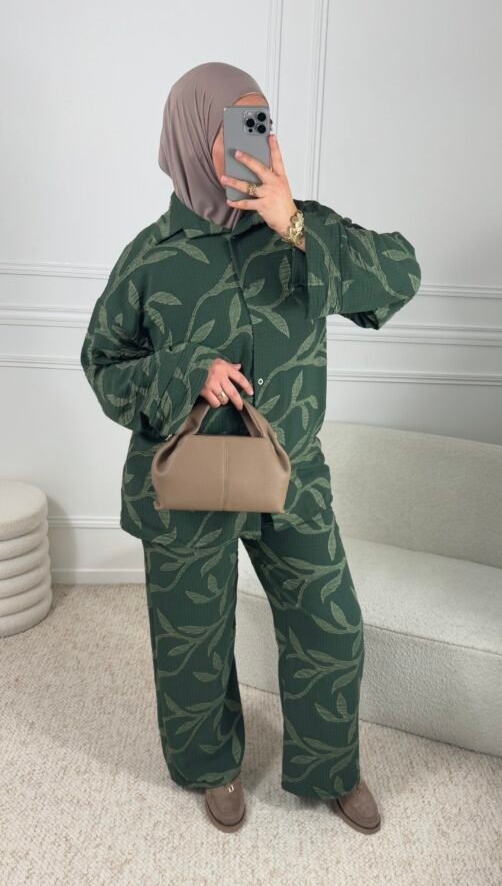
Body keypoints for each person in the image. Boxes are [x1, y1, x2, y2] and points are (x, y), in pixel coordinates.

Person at [80, 61, 422, 835]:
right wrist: (185, 374)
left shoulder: (303, 229)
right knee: (192, 639)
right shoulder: (150, 256)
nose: (254, 141)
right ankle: (211, 766)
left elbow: (402, 275)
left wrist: (294, 222)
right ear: (190, 138)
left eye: (261, 122)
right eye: (236, 125)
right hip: (189, 481)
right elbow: (102, 364)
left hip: (289, 469)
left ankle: (331, 767)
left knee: (331, 621)